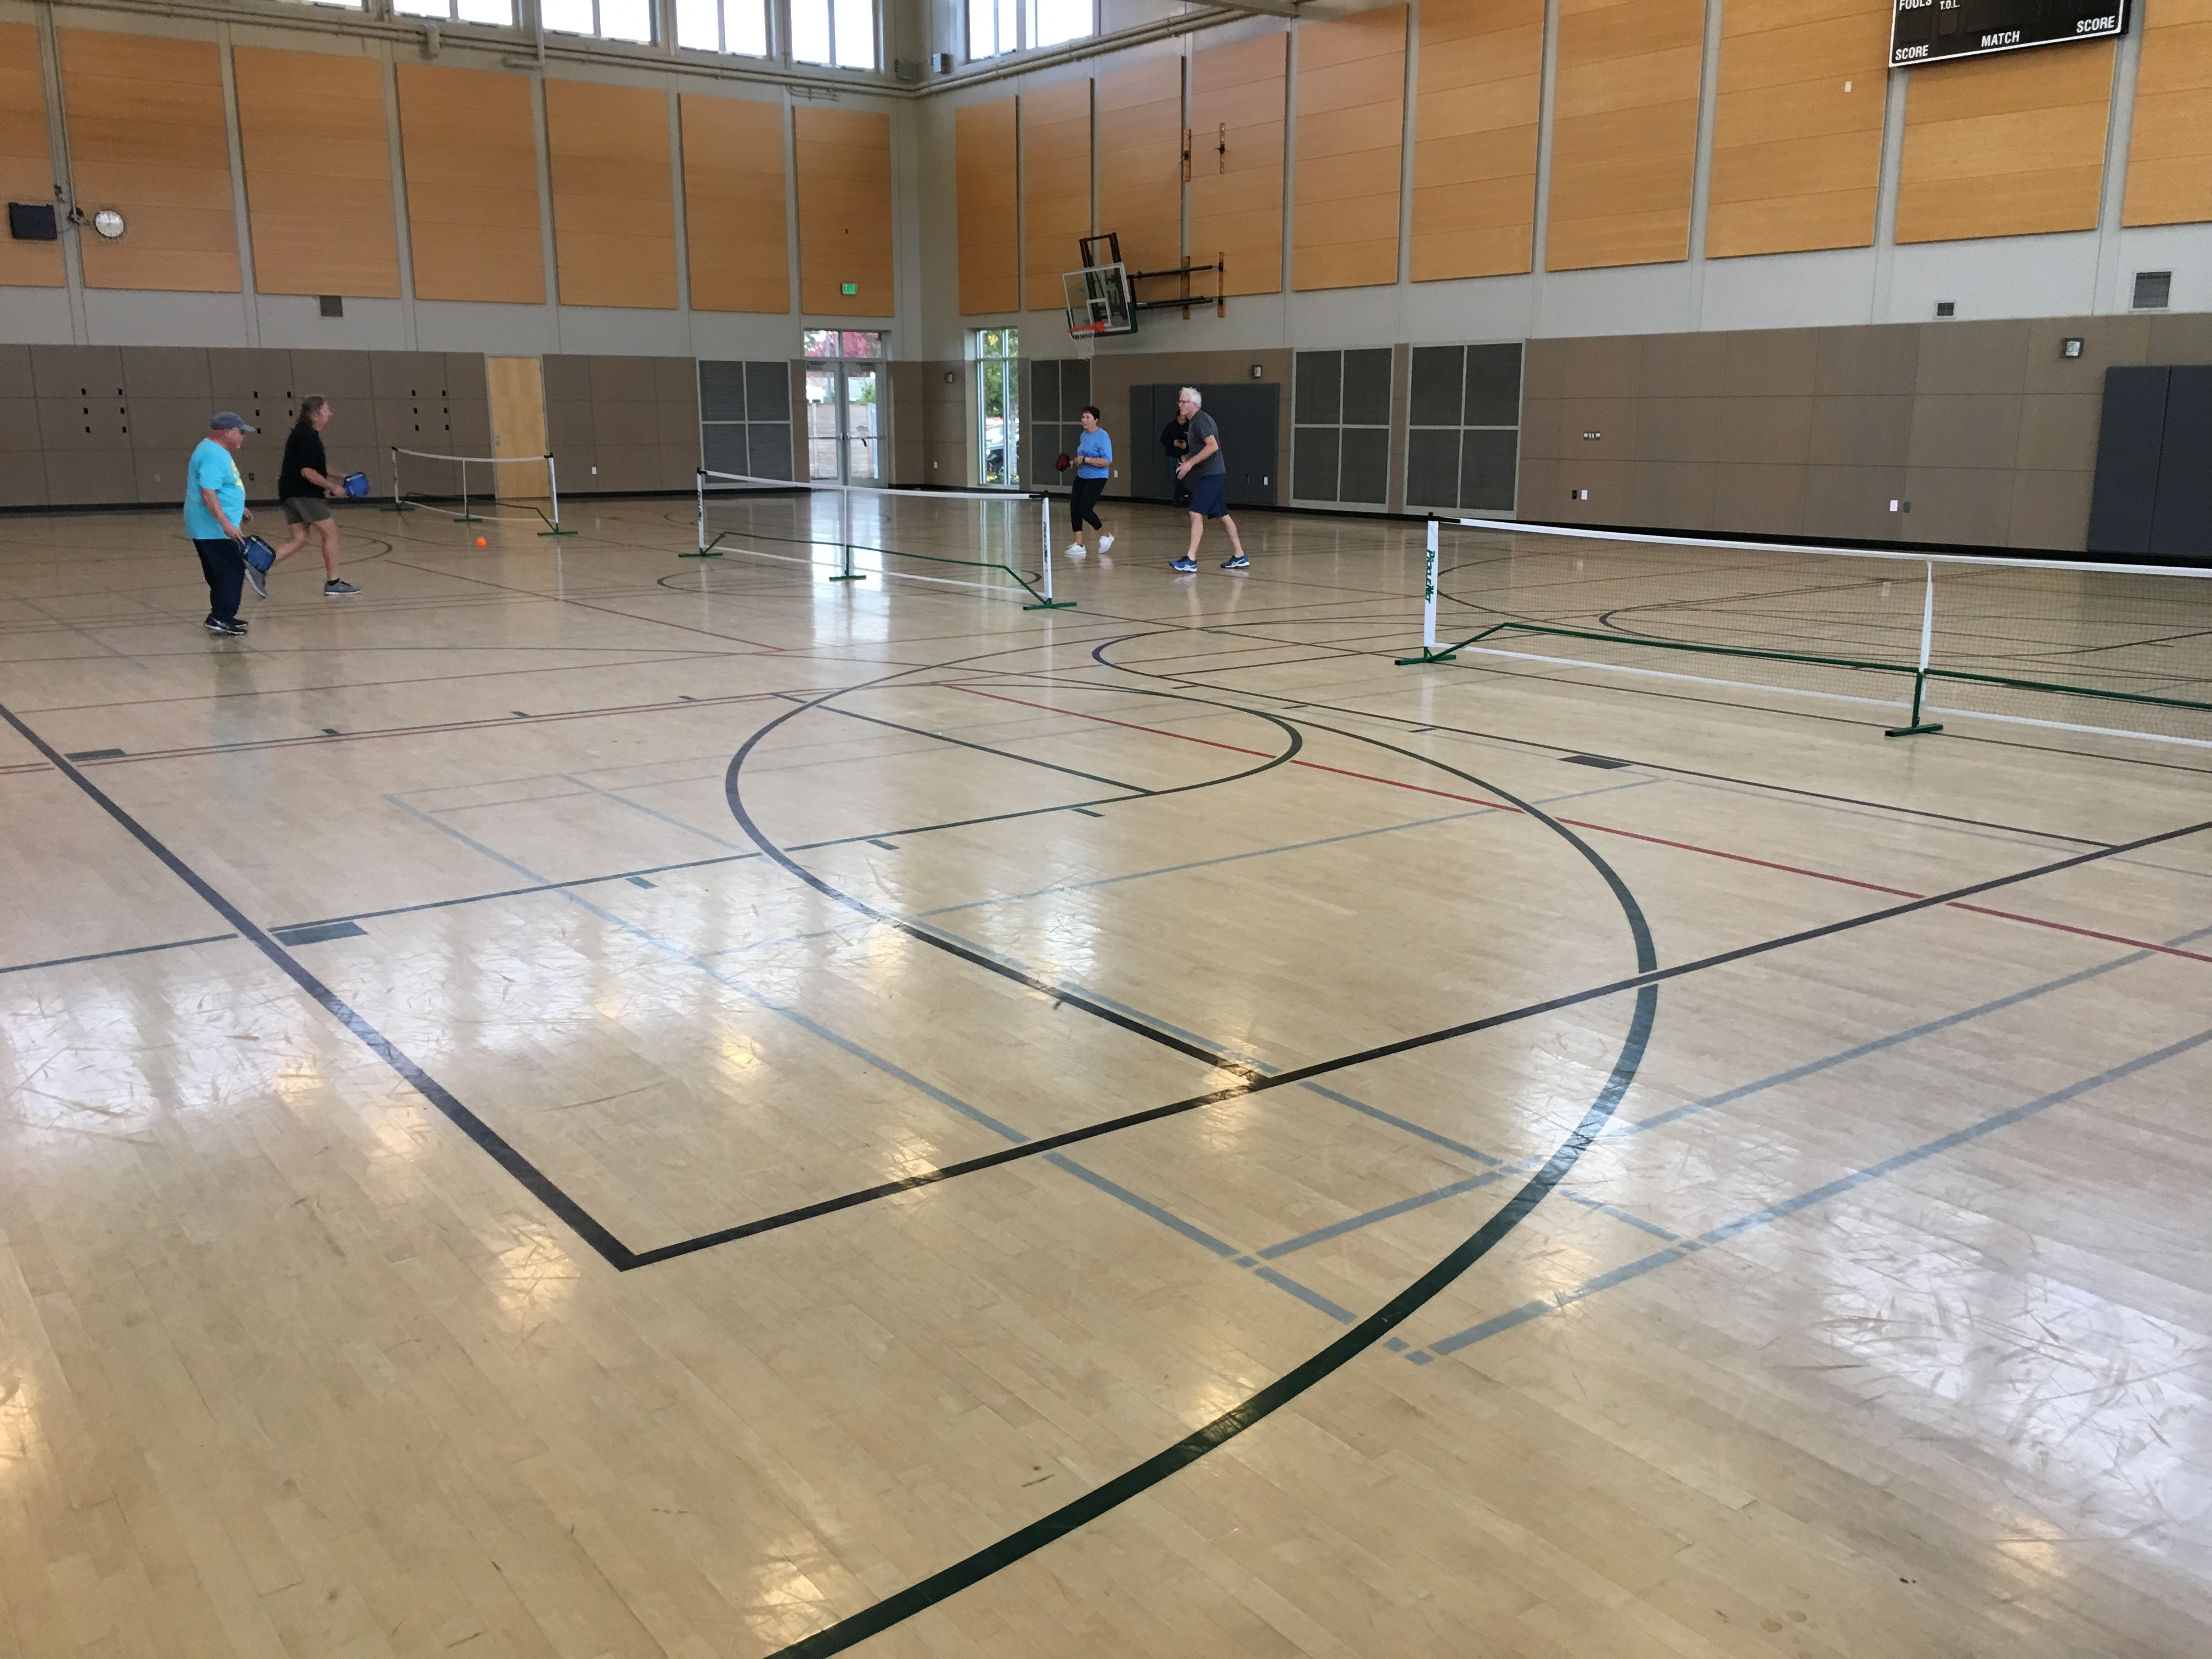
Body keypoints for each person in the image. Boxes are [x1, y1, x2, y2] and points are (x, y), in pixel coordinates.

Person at [270, 396, 359, 596]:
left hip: (289, 493)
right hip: (305, 494)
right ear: (316, 414)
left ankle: (260, 567)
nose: (331, 414)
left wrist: (342, 476)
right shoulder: (308, 437)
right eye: (327, 410)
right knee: (331, 533)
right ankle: (334, 582)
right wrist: (333, 487)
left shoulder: (305, 435)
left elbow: (316, 466)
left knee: (300, 538)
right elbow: (308, 472)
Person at [185, 412, 255, 636]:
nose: (243, 437)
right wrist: (226, 523)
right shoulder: (215, 454)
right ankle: (221, 617)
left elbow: (219, 487)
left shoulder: (212, 450)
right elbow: (208, 492)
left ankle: (221, 615)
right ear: (228, 432)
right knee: (232, 570)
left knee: (220, 572)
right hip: (213, 529)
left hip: (209, 527)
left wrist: (238, 507)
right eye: (240, 432)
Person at [1168, 386, 1249, 573]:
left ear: (1194, 404)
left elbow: (1212, 446)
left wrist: (1190, 464)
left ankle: (1191, 559)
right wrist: (1188, 457)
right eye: (1179, 401)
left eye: (1184, 401)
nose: (1180, 404)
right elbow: (1202, 448)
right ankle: (1239, 556)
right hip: (1213, 473)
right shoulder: (1196, 422)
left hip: (1211, 475)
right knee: (1222, 515)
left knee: (1196, 512)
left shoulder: (1200, 420)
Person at [1065, 406, 1115, 558]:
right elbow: (1082, 456)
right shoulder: (1084, 436)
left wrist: (1086, 459)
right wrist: (1074, 462)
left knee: (1085, 508)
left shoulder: (1103, 436)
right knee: (1074, 507)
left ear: (1096, 420)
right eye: (1083, 417)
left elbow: (1107, 460)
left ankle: (1105, 535)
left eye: (1088, 417)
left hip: (1097, 477)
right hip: (1082, 476)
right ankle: (1079, 544)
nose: (1084, 420)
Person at [1159, 410, 1191, 509]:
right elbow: (1163, 440)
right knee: (1173, 476)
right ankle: (1184, 494)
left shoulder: (1189, 428)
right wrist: (1174, 443)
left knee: (1182, 477)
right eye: (1181, 419)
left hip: (1184, 456)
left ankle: (1180, 497)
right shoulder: (1170, 427)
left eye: (1184, 419)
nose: (1182, 421)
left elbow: (1195, 442)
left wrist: (1186, 445)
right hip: (1172, 455)